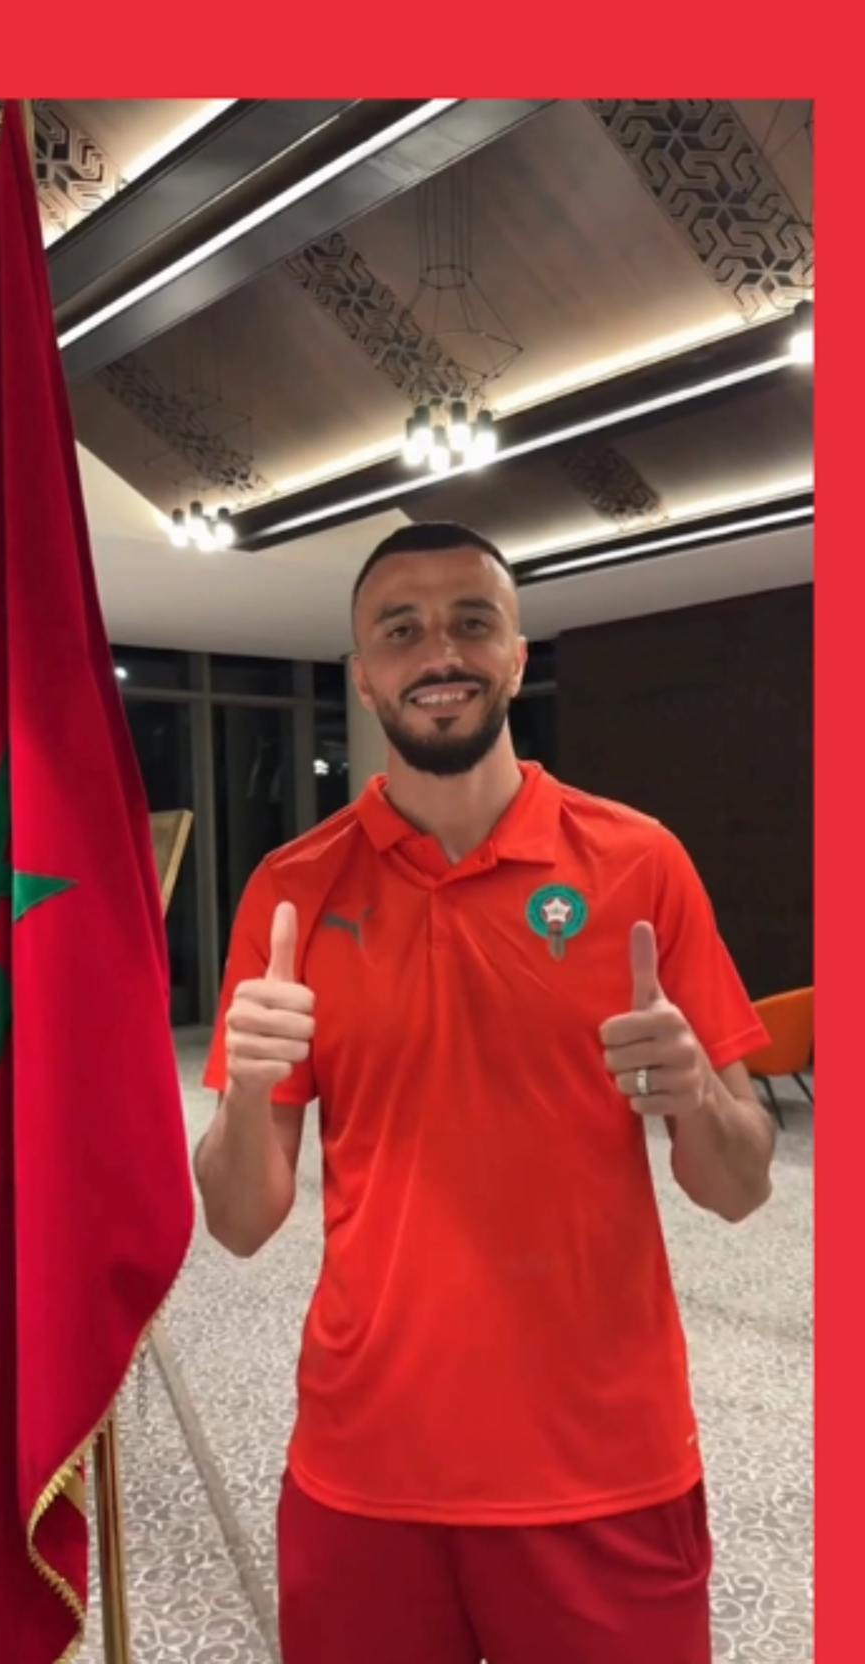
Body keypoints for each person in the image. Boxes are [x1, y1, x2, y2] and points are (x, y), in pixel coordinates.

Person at [194, 521, 774, 1664]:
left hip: (604, 1465)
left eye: (471, 619)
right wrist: (241, 1096)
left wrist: (695, 1092)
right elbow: (240, 1218)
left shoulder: (639, 861)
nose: (437, 650)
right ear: (362, 672)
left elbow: (741, 1185)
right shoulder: (293, 888)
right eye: (398, 629)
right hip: (365, 1471)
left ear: (515, 652)